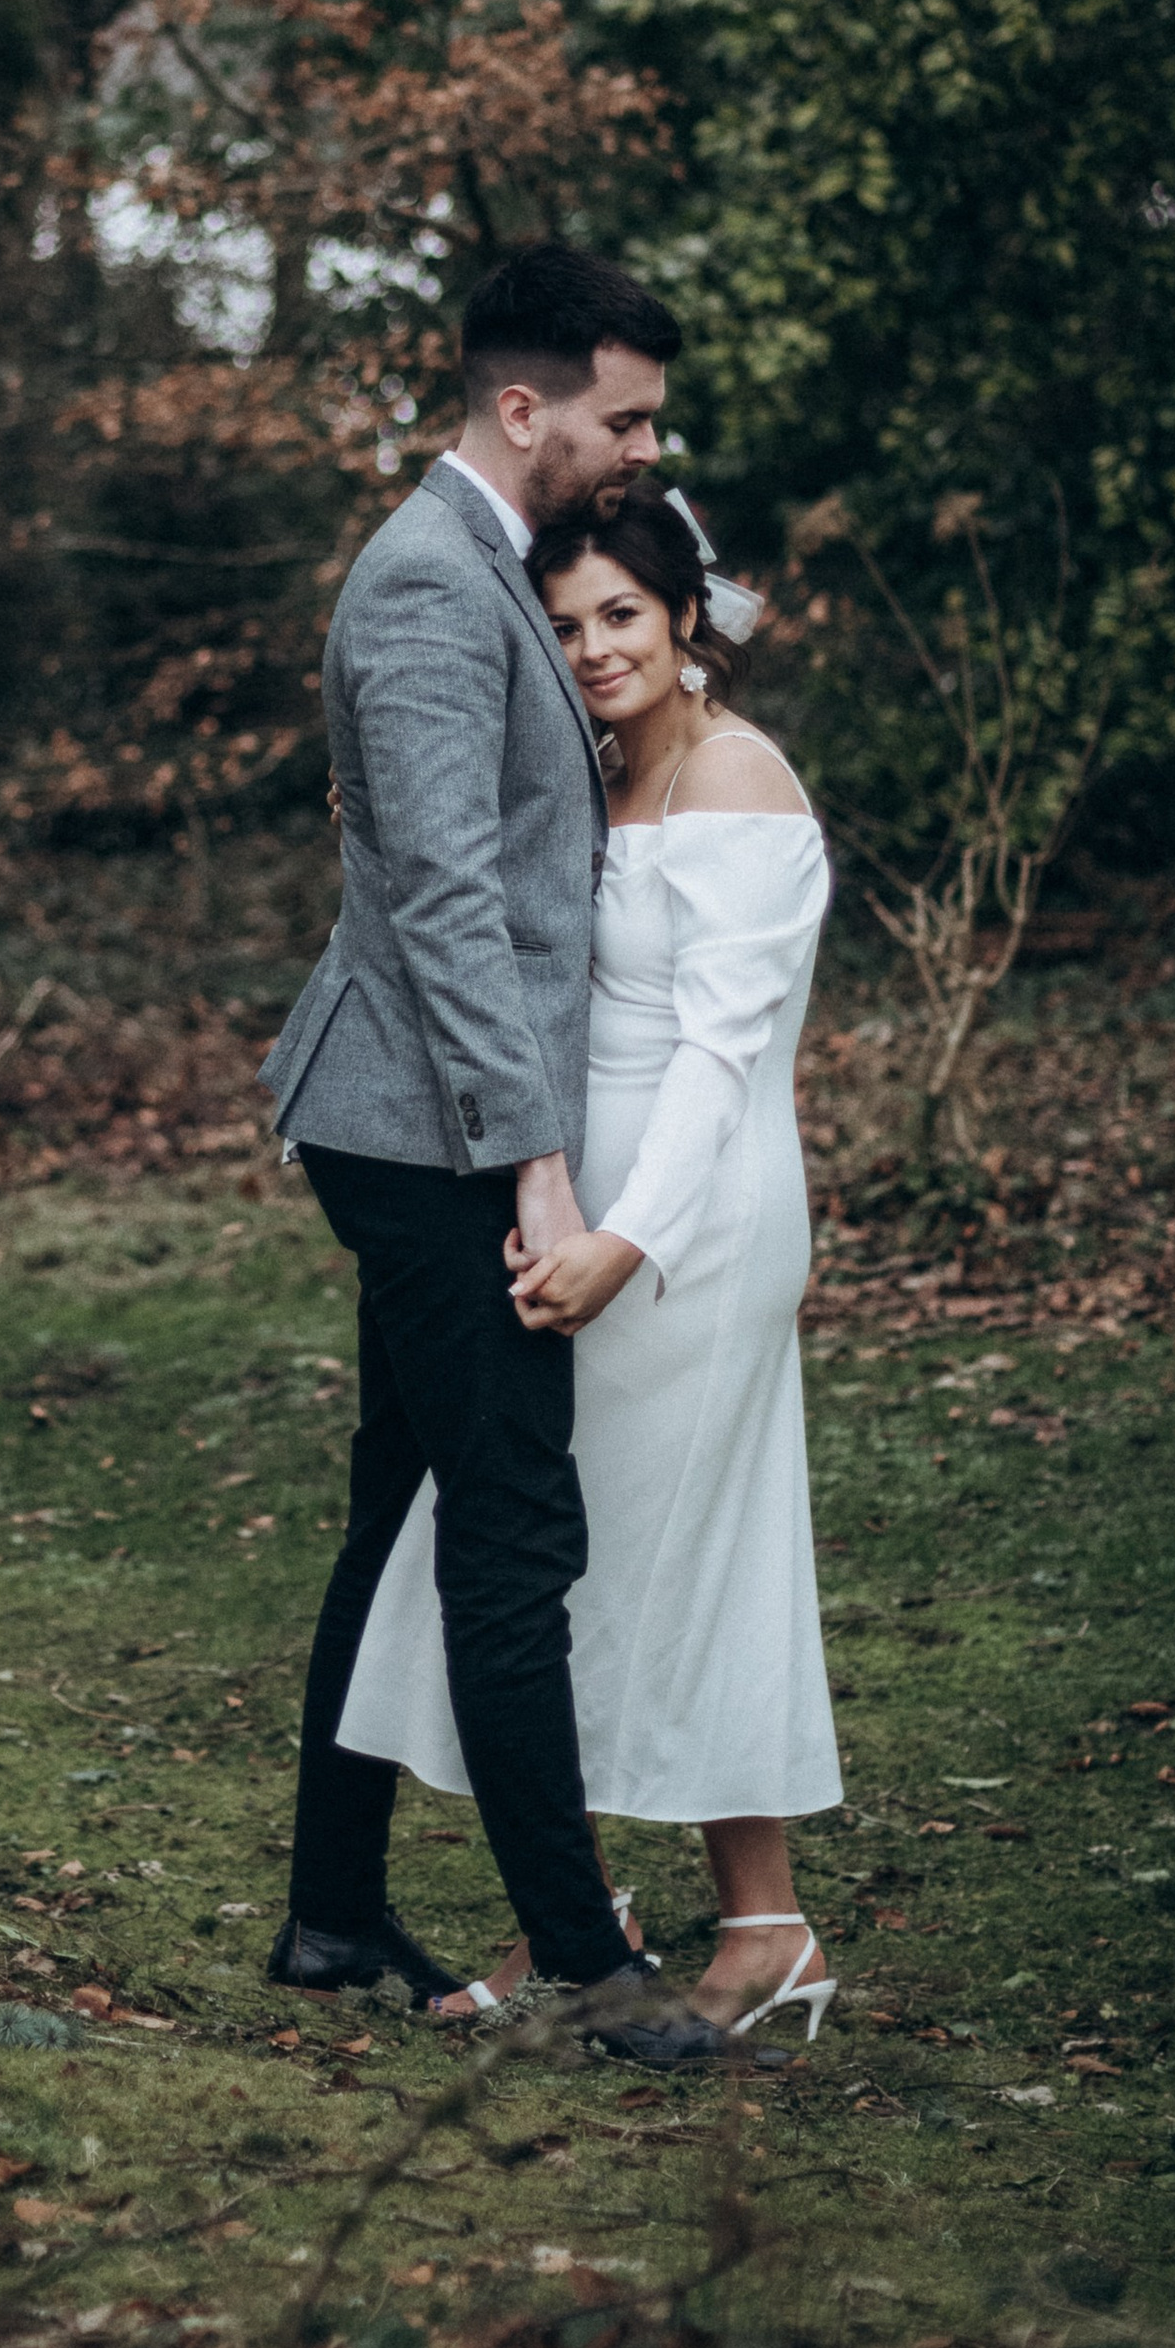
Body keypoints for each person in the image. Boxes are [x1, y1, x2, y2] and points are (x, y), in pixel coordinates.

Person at [257, 242, 734, 2070]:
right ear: (521, 408)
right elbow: (450, 905)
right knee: (514, 1521)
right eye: (624, 417)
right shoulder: (425, 590)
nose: (645, 448)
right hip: (428, 1133)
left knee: (402, 1514)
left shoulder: (480, 566)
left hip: (425, 1116)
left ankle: (329, 1910)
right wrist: (532, 1169)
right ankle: (591, 1966)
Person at [338, 485, 843, 2043]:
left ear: (689, 620)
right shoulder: (601, 770)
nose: (593, 648)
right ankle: (594, 1910)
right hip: (582, 1202)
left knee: (672, 1548)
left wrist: (630, 1238)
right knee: (581, 1553)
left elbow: (719, 1054)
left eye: (621, 613)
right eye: (561, 626)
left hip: (690, 1219)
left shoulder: (740, 779)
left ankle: (757, 1926)